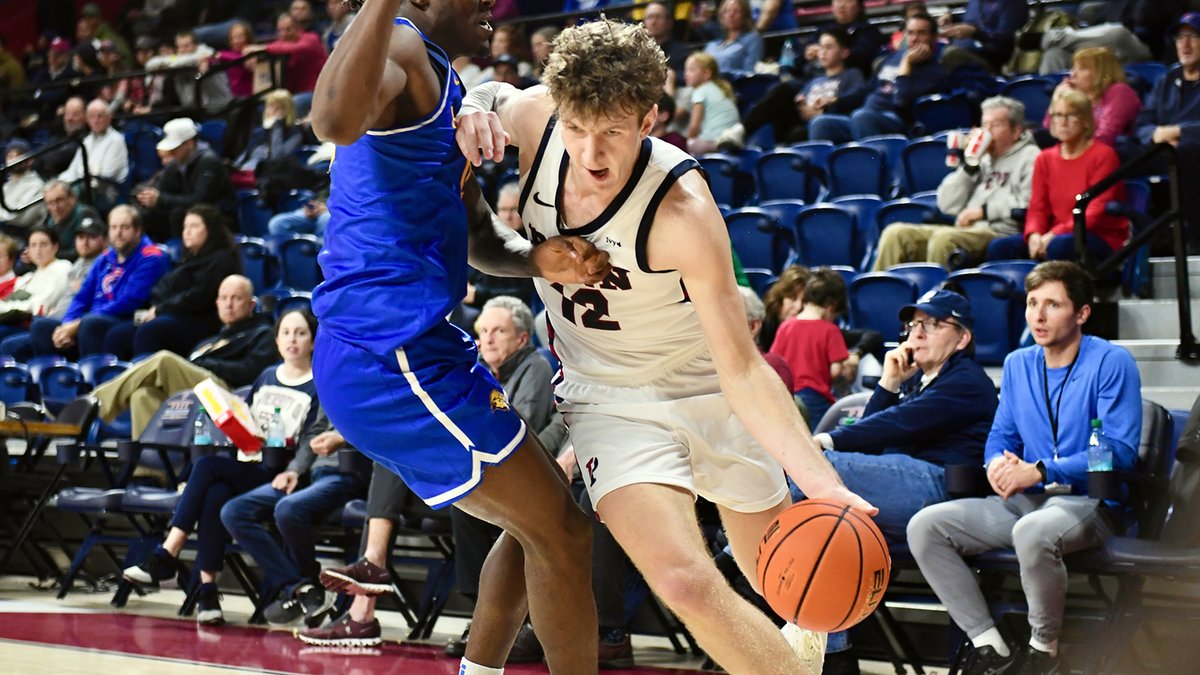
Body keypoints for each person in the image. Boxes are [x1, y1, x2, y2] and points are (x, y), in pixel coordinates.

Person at [455, 18, 875, 674]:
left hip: (706, 382)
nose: (591, 152)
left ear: (650, 119)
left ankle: (800, 646)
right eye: (578, 127)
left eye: (613, 131)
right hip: (608, 398)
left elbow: (742, 366)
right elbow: (485, 92)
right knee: (683, 581)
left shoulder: (683, 210)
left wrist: (822, 484)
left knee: (786, 578)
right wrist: (476, 107)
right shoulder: (537, 118)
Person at [305, 0, 611, 671]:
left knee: (545, 521)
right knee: (562, 532)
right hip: (389, 353)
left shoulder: (441, 81)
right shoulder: (401, 44)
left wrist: (535, 257)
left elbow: (477, 236)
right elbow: (331, 119)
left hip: (418, 347)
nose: (489, 5)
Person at [907, 261, 1142, 675]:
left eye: (1053, 304)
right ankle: (991, 647)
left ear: (1082, 313)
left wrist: (1041, 470)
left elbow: (1114, 452)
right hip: (1027, 501)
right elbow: (1000, 436)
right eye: (1033, 303)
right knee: (926, 526)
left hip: (1090, 502)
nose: (1038, 314)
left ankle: (1043, 652)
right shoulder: (1018, 364)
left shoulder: (1111, 362)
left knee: (1031, 531)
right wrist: (997, 463)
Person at [807, 288, 996, 674]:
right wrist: (889, 382)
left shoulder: (966, 381)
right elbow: (877, 443)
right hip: (901, 487)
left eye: (934, 324)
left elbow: (896, 425)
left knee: (808, 472)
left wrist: (825, 441)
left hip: (939, 491)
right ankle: (836, 659)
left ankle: (735, 563)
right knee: (832, 534)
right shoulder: (916, 381)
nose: (918, 333)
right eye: (914, 324)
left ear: (962, 338)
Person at [122, 309, 322, 626]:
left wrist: (294, 466)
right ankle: (207, 591)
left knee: (208, 470)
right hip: (251, 463)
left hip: (282, 473)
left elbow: (312, 437)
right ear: (276, 338)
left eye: (300, 333)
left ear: (313, 341)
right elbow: (249, 420)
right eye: (285, 332)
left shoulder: (318, 384)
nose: (292, 340)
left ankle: (168, 555)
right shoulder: (267, 376)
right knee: (215, 493)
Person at [448, 296, 557, 662]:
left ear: (523, 339)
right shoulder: (480, 369)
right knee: (461, 504)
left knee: (484, 509)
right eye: (482, 332)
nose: (487, 339)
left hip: (535, 473)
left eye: (498, 331)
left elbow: (516, 426)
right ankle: (482, 616)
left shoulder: (535, 367)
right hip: (494, 471)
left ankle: (512, 622)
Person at [224, 405, 368, 628]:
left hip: (347, 471)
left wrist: (342, 438)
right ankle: (304, 589)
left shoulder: (380, 377)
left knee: (288, 509)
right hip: (312, 474)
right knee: (234, 511)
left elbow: (382, 429)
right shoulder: (331, 376)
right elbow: (314, 431)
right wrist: (295, 469)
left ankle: (309, 585)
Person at [92, 274, 276, 438]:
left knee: (164, 360)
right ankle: (151, 472)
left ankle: (94, 405)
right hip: (199, 392)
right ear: (217, 303)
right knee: (143, 395)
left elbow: (252, 372)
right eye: (224, 298)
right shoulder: (209, 342)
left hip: (229, 396)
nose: (228, 304)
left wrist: (207, 364)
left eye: (236, 298)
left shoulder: (262, 333)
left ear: (251, 304)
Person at [873, 96, 1040, 270]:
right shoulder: (981, 158)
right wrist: (969, 164)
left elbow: (1029, 203)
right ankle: (876, 296)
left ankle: (939, 296)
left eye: (995, 125)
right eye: (984, 125)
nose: (987, 132)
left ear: (1016, 131)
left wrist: (983, 211)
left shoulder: (1031, 156)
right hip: (966, 231)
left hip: (999, 232)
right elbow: (946, 204)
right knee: (895, 233)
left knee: (944, 241)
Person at [987, 89, 1129, 264]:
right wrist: (1034, 234)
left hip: (1096, 235)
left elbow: (1093, 212)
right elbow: (1037, 207)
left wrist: (1054, 234)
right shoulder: (1044, 159)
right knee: (999, 247)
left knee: (1058, 246)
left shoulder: (1104, 155)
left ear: (1085, 120)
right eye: (1058, 115)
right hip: (1054, 234)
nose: (1063, 122)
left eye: (1070, 115)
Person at [30, 205, 170, 358]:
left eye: (125, 227)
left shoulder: (151, 257)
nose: (118, 233)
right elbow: (81, 297)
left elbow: (128, 302)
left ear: (137, 231)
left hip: (125, 318)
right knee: (41, 326)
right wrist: (67, 325)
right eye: (114, 227)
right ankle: (57, 379)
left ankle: (94, 377)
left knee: (90, 323)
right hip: (91, 320)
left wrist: (77, 325)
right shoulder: (105, 257)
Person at [107, 204, 241, 360]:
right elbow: (163, 288)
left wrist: (160, 310)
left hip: (201, 321)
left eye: (194, 226)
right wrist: (158, 308)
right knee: (117, 335)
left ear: (210, 229)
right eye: (185, 227)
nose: (187, 232)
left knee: (149, 331)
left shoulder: (220, 260)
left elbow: (199, 297)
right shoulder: (188, 260)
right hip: (172, 315)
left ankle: (147, 382)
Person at [810, 13, 947, 143]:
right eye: (910, 32)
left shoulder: (934, 70)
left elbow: (901, 101)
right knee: (820, 123)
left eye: (921, 33)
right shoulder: (891, 58)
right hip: (865, 115)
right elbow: (867, 90)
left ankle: (871, 166)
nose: (914, 38)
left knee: (861, 117)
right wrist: (835, 101)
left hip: (896, 120)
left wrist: (907, 64)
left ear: (933, 37)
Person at [721, 26, 865, 148]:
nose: (822, 52)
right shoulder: (814, 79)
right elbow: (801, 99)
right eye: (820, 47)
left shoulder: (852, 75)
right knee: (781, 90)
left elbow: (854, 101)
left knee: (798, 133)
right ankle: (741, 130)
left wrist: (824, 111)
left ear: (844, 52)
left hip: (827, 123)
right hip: (802, 120)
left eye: (829, 47)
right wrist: (801, 104)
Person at [1135, 12, 1200, 254]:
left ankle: (1194, 240)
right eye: (1180, 37)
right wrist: (1155, 135)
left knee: (1187, 152)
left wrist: (1178, 132)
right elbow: (1142, 121)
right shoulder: (1167, 79)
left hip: (1192, 154)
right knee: (1113, 152)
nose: (1185, 44)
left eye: (1193, 36)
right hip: (1162, 150)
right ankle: (1134, 245)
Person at [768, 268, 851, 426]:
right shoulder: (830, 330)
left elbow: (774, 362)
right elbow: (836, 371)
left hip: (785, 395)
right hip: (814, 398)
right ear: (831, 307)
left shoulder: (786, 326)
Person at [135, 117, 233, 241]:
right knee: (146, 215)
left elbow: (200, 200)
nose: (171, 153)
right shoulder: (176, 163)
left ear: (190, 144)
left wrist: (161, 199)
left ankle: (183, 255)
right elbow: (161, 189)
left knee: (178, 214)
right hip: (187, 210)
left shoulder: (208, 161)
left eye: (175, 149)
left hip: (217, 216)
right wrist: (149, 197)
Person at [1044, 47, 1141, 147]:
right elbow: (1050, 131)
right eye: (1074, 67)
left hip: (1108, 153)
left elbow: (1107, 135)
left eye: (1082, 68)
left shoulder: (1119, 92)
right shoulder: (1076, 94)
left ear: (1101, 73)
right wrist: (1057, 98)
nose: (1073, 74)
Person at [0, 227, 72, 342]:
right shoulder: (29, 277)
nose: (38, 250)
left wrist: (14, 307)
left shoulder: (62, 267)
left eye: (43, 244)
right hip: (24, 324)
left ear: (55, 247)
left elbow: (42, 306)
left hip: (48, 326)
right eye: (33, 245)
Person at [58, 98, 129, 211]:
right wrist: (59, 183)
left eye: (100, 116)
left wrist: (84, 173)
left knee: (69, 196)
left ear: (109, 117)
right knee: (55, 191)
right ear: (87, 120)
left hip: (107, 191)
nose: (96, 120)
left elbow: (106, 173)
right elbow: (72, 170)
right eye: (92, 116)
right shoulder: (87, 141)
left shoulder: (116, 140)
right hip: (84, 185)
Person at [144, 30, 234, 111]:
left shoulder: (205, 52)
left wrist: (169, 63)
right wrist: (172, 62)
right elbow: (150, 64)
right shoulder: (177, 59)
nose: (183, 50)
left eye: (187, 46)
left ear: (195, 45)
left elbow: (205, 55)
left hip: (220, 104)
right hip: (194, 108)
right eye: (180, 46)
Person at [937, 0, 1029, 71]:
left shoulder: (1013, 3)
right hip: (965, 50)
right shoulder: (976, 1)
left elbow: (1009, 39)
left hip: (991, 60)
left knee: (949, 54)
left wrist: (976, 33)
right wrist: (952, 18)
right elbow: (971, 20)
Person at [802, 0, 883, 78]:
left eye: (848, 1)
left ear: (859, 7)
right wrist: (808, 53)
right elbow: (804, 53)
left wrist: (827, 53)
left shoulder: (868, 31)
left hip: (851, 77)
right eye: (838, 1)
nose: (841, 5)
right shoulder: (823, 29)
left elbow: (861, 57)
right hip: (815, 78)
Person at [683, 52, 740, 155]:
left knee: (689, 144)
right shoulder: (721, 89)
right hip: (732, 138)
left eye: (691, 70)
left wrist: (687, 141)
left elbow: (694, 126)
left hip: (713, 141)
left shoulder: (700, 91)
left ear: (707, 74)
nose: (686, 74)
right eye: (686, 70)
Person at [41, 179, 101, 257]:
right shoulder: (49, 221)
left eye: (59, 200)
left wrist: (51, 254)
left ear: (72, 198)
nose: (55, 207)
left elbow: (85, 250)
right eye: (50, 203)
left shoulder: (85, 213)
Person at [704, 0, 763, 77]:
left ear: (745, 15)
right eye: (727, 11)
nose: (731, 15)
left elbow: (749, 72)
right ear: (722, 16)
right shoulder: (712, 44)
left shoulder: (752, 39)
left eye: (737, 11)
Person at [0, 139, 47, 232]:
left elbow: (17, 218)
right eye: (10, 156)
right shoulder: (6, 186)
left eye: (18, 156)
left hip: (24, 236)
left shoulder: (36, 185)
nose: (13, 160)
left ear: (30, 160)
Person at [642, 0, 692, 80]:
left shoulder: (682, 52)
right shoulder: (638, 52)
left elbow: (687, 77)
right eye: (650, 17)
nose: (653, 22)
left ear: (670, 23)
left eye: (658, 17)